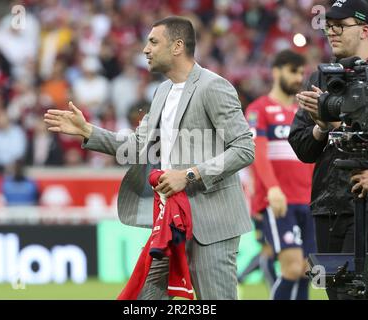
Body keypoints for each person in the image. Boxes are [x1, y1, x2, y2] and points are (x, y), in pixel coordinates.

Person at [44, 16, 255, 300]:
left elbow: (244, 148)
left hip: (211, 222)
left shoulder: (213, 87)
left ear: (178, 46)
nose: (145, 49)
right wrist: (89, 132)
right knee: (144, 298)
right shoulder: (162, 91)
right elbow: (137, 146)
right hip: (171, 220)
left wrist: (190, 174)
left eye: (154, 41)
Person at [289, 0, 368, 300]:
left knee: (358, 295)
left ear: (365, 30)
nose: (331, 33)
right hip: (327, 205)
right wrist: (321, 126)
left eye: (340, 27)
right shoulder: (321, 76)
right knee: (336, 295)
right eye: (329, 27)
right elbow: (302, 147)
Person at [246, 49, 315, 300]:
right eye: (292, 71)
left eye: (301, 72)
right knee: (292, 267)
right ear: (276, 72)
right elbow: (259, 154)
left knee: (307, 270)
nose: (298, 78)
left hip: (308, 200)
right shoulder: (259, 109)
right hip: (279, 202)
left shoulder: (305, 112)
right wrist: (272, 188)